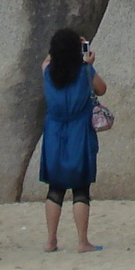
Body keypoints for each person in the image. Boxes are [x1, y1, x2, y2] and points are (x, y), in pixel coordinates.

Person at [40, 27, 105, 253]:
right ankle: (82, 241)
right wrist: (87, 59)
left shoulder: (48, 70)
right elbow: (102, 89)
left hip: (55, 131)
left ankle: (51, 240)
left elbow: (47, 60)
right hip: (80, 130)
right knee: (81, 188)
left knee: (55, 188)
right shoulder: (85, 71)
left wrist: (60, 48)